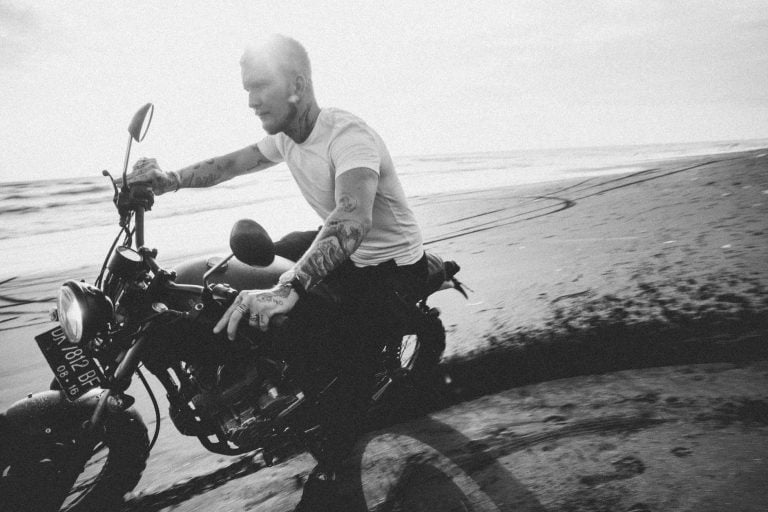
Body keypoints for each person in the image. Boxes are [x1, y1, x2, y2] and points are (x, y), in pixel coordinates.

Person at [127, 34, 427, 510]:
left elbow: (352, 219)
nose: (250, 100)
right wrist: (170, 182)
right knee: (237, 275)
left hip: (385, 266)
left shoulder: (350, 137)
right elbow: (229, 164)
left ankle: (332, 458)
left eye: (260, 86)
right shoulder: (286, 137)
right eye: (247, 88)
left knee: (334, 357)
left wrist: (291, 287)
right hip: (337, 243)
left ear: (298, 85)